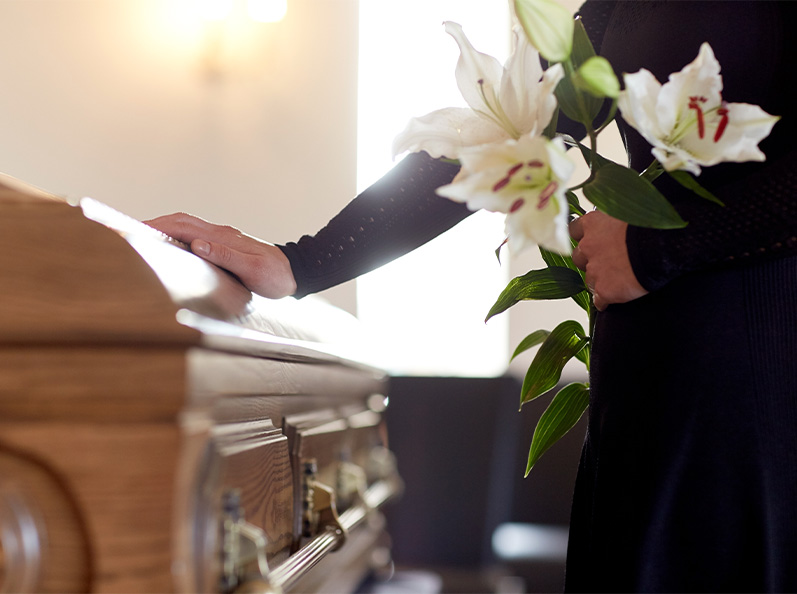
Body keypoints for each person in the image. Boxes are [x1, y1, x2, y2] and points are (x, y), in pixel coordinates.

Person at [147, 1, 797, 591]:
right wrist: (303, 261)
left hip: (761, 380)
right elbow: (502, 132)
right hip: (650, 378)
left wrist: (660, 247)